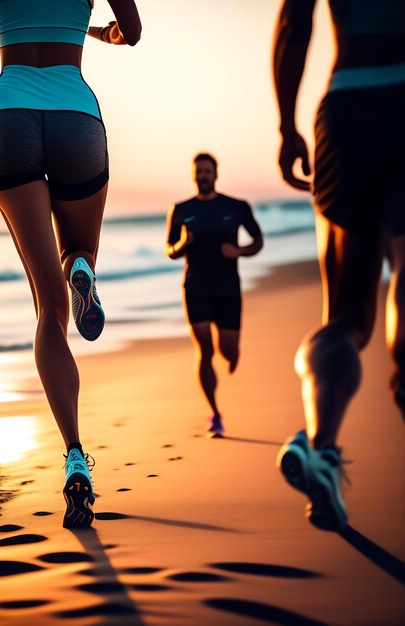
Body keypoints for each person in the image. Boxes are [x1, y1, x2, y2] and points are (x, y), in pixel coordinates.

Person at [0, 0, 142, 528]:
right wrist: (100, 31)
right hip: (75, 113)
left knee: (48, 310)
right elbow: (134, 32)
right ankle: (82, 269)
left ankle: (75, 455)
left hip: (8, 117)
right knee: (79, 248)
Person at [273, 0, 405, 530]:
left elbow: (293, 21)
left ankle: (322, 448)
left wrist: (286, 125)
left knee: (346, 322)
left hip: (347, 109)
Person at [165, 153, 263, 436]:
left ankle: (233, 353)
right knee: (205, 350)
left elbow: (258, 240)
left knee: (226, 351)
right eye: (199, 172)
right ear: (194, 175)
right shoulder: (181, 210)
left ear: (216, 174)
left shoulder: (236, 207)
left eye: (208, 171)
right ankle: (215, 414)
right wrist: (182, 243)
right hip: (195, 288)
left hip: (228, 289)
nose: (204, 175)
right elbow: (170, 249)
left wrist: (240, 251)